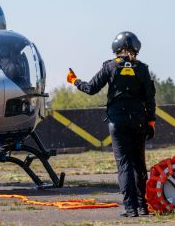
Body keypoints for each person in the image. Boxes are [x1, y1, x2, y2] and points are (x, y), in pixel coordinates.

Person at [66, 31, 156, 217]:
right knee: (139, 165)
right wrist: (151, 121)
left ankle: (130, 209)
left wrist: (74, 80)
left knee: (124, 165)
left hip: (118, 122)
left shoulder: (110, 67)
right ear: (136, 49)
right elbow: (150, 98)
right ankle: (143, 207)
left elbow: (91, 88)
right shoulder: (142, 68)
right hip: (139, 122)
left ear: (116, 48)